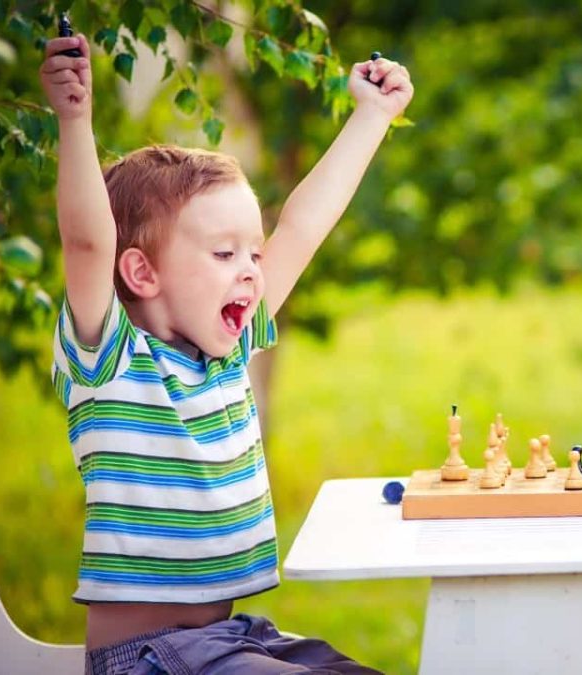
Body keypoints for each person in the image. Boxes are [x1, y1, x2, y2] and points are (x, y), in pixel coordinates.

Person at [40, 28, 413, 674]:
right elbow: (86, 243)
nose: (250, 270)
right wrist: (75, 122)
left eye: (252, 252)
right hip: (147, 659)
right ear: (141, 272)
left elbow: (301, 225)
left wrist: (372, 117)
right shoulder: (112, 360)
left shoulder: (226, 352)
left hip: (231, 639)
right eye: (223, 253)